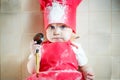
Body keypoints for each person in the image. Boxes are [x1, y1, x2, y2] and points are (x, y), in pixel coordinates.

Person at [27, 0, 94, 80]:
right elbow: (32, 71)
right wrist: (35, 55)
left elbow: (84, 66)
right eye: (51, 27)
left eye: (62, 27)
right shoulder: (40, 48)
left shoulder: (76, 48)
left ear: (72, 30)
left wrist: (87, 72)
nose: (56, 32)